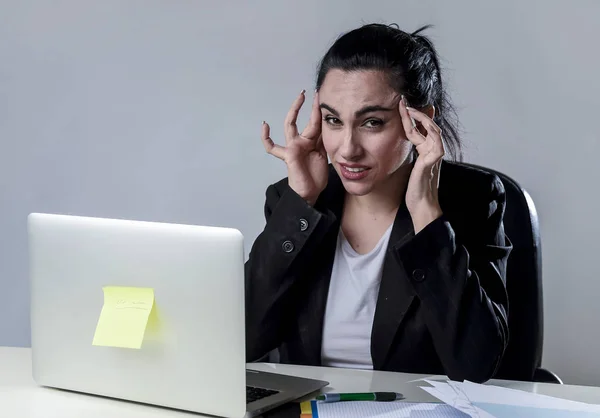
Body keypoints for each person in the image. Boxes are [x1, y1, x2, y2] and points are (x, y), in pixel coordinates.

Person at [245, 23, 511, 383]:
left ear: (418, 122)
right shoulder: (291, 200)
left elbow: (476, 365)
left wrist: (427, 217)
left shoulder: (471, 200)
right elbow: (243, 341)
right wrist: (301, 204)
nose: (347, 149)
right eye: (333, 120)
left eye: (371, 122)